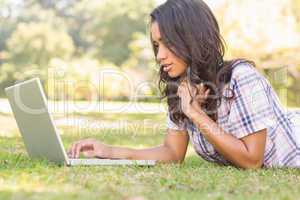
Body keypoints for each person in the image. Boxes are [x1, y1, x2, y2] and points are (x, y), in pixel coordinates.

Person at [68, 0, 300, 169]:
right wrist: (109, 151)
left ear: (192, 40)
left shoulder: (242, 78)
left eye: (167, 43)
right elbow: (172, 152)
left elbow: (252, 160)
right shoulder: (183, 85)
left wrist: (195, 114)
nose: (160, 55)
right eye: (157, 45)